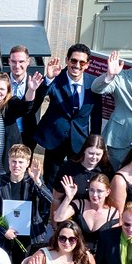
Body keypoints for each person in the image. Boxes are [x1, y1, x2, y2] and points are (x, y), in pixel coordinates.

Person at [34, 44, 104, 187]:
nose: (77, 65)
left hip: (79, 139)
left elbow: (96, 114)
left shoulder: (93, 83)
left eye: (82, 62)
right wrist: (48, 79)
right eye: (73, 61)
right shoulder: (56, 77)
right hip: (55, 137)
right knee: (51, 178)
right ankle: (49, 206)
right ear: (67, 60)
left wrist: (95, 140)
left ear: (87, 65)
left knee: (76, 178)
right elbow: (39, 97)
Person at [0, 144, 53, 262]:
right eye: (13, 161)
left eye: (21, 162)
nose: (17, 165)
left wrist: (37, 181)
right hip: (2, 237)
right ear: (8, 161)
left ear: (27, 163)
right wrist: (3, 231)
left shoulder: (33, 181)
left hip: (28, 237)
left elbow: (50, 200)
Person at [0, 71, 41, 175]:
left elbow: (25, 107)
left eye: (2, 89)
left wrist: (31, 90)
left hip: (4, 169)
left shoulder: (10, 105)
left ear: (7, 91)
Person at [48, 134, 113, 220]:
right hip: (69, 216)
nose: (94, 157)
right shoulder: (69, 167)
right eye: (91, 153)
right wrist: (54, 222)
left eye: (98, 154)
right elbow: (57, 197)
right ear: (84, 151)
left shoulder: (106, 170)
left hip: (94, 218)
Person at [54, 174, 119, 253]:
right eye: (92, 190)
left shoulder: (114, 213)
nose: (94, 195)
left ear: (107, 192)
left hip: (98, 258)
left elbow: (113, 243)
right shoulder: (80, 204)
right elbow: (58, 218)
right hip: (76, 253)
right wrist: (68, 197)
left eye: (99, 191)